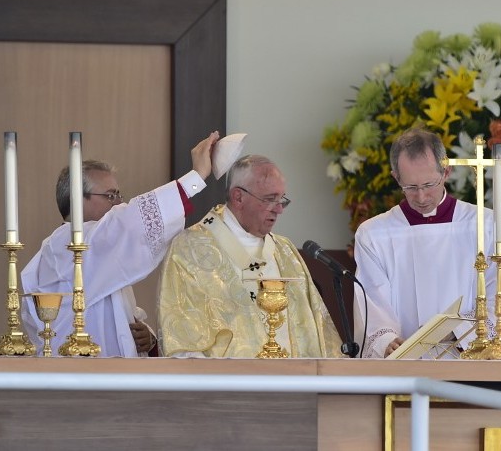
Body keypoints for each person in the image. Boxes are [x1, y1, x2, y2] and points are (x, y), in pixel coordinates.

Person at [21, 131, 220, 357]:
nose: (119, 203)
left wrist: (146, 336)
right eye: (110, 195)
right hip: (78, 370)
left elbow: (116, 315)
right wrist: (195, 177)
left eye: (119, 195)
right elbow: (128, 223)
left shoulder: (100, 248)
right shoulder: (67, 244)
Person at [353, 128, 501, 358]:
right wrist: (385, 341)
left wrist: (460, 335)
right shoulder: (374, 234)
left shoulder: (485, 225)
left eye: (428, 185)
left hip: (469, 361)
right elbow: (371, 301)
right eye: (411, 187)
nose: (421, 197)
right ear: (396, 177)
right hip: (405, 365)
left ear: (447, 172)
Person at [157, 154, 343, 358]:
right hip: (229, 386)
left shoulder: (285, 250)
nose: (279, 209)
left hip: (295, 384)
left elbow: (321, 333)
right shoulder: (190, 248)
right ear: (238, 197)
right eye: (270, 199)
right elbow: (183, 340)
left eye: (282, 199)